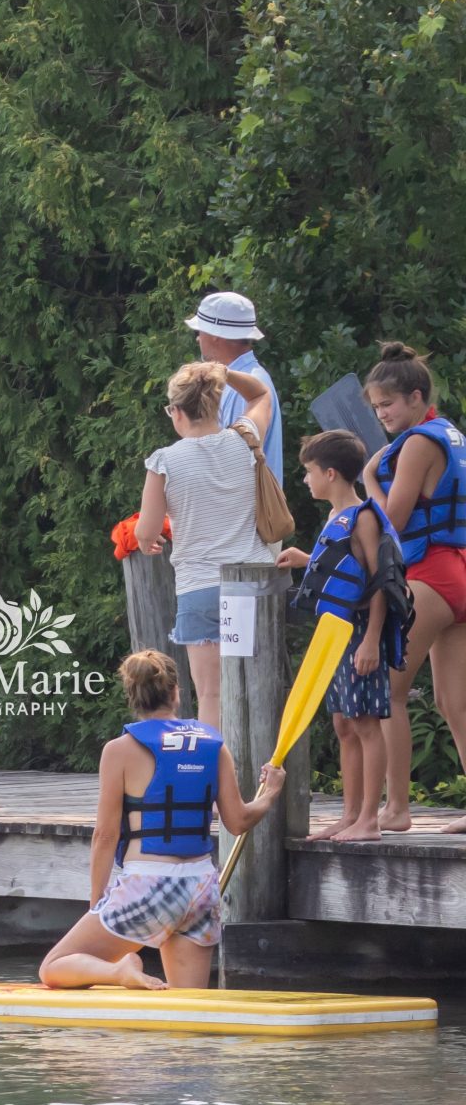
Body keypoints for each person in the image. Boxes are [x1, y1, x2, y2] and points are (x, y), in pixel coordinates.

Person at [40, 650, 284, 990]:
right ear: (175, 692)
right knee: (186, 1011)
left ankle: (119, 972)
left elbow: (106, 836)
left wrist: (97, 901)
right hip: (200, 886)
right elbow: (239, 821)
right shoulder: (214, 745)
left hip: (148, 885)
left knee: (53, 968)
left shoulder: (119, 750)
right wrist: (270, 793)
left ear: (132, 696)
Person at [277, 430, 409, 842]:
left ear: (330, 473)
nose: (305, 480)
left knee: (366, 724)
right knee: (343, 724)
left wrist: (371, 640)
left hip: (357, 637)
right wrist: (306, 559)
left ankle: (370, 819)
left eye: (309, 472)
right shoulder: (336, 518)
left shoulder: (362, 516)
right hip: (333, 636)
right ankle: (350, 814)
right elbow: (339, 567)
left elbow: (379, 582)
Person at [356, 342, 466, 834]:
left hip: (432, 576)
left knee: (389, 693)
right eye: (376, 408)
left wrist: (367, 480)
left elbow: (393, 521)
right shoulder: (450, 434)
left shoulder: (419, 443)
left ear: (417, 396)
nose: (382, 415)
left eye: (388, 405)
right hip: (458, 572)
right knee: (453, 701)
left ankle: (396, 809)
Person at [137, 362, 277, 725]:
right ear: (215, 404)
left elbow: (147, 530)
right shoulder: (245, 437)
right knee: (257, 690)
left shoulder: (165, 461)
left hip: (199, 588)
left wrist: (146, 542)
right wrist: (221, 373)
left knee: (211, 694)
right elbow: (261, 394)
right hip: (250, 584)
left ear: (177, 412)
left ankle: (215, 778)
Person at [187, 292, 281, 480]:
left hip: (246, 509)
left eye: (200, 331)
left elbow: (235, 463)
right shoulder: (249, 380)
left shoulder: (244, 389)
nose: (198, 338)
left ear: (215, 335)